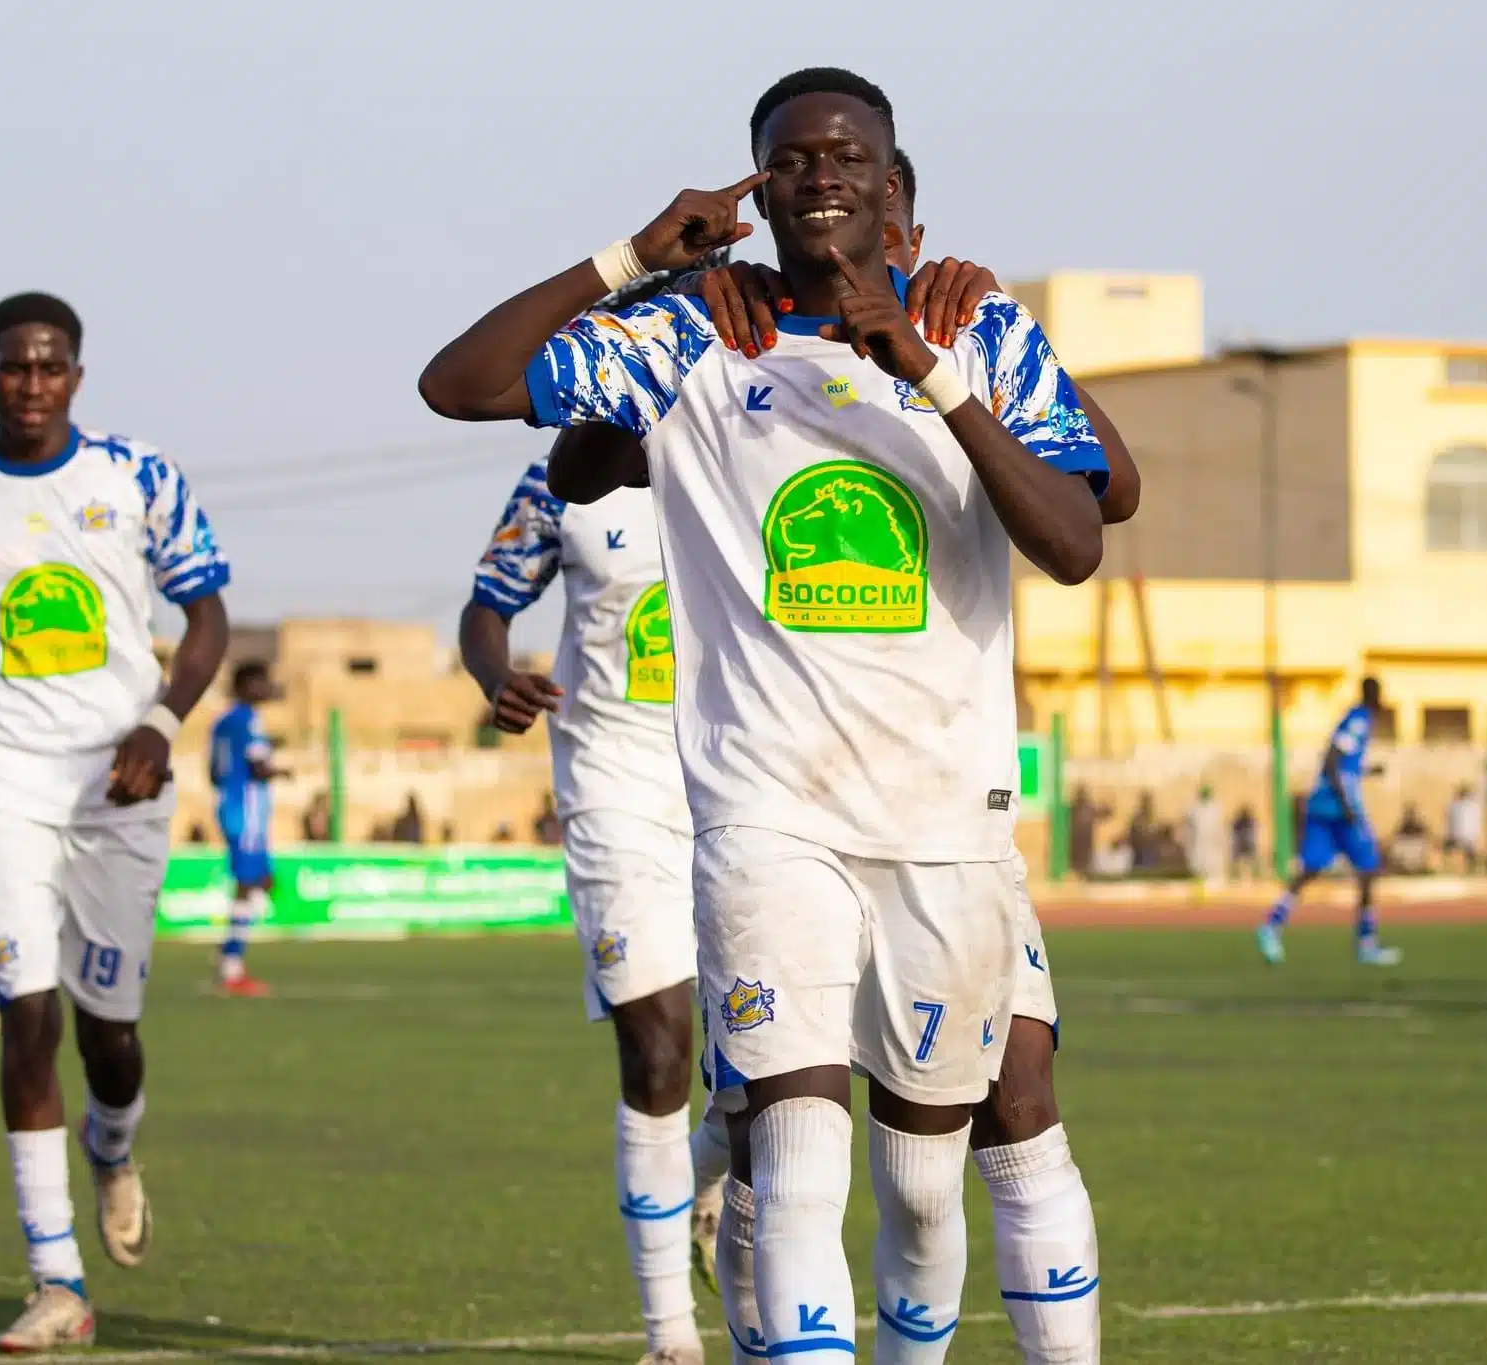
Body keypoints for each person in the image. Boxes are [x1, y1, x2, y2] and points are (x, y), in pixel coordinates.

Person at [422, 70, 1112, 1365]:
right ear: (759, 184)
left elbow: (1077, 540)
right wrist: (631, 259)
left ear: (893, 180)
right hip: (760, 818)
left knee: (923, 1180)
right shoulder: (693, 334)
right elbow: (462, 386)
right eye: (790, 159)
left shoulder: (979, 331)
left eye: (847, 154)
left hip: (942, 821)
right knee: (792, 1153)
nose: (820, 175)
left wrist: (923, 368)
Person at [0, 292, 233, 1349]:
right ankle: (55, 1279)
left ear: (77, 374)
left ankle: (111, 1145)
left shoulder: (138, 476)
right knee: (29, 1015)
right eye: (13, 368)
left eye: (51, 367)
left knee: (109, 1037)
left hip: (119, 777)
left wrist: (161, 721)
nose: (32, 385)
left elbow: (205, 613)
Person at [460, 430, 731, 1363]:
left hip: (747, 785)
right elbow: (486, 606)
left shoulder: (752, 439)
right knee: (659, 1040)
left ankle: (699, 1178)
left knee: (767, 1065)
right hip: (613, 789)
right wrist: (498, 677)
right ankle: (670, 1338)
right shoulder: (559, 480)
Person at [1258, 677, 1400, 966]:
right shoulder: (1359, 719)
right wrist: (1346, 804)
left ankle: (1272, 925)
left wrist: (1368, 770)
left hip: (1321, 803)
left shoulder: (1354, 720)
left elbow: (1342, 763)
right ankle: (1366, 943)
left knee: (1310, 868)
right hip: (1338, 807)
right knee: (1369, 869)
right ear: (1374, 695)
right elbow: (1333, 761)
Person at [209, 661, 283, 998]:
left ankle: (231, 954)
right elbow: (258, 766)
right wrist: (280, 771)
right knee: (250, 882)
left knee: (262, 881)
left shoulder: (221, 723)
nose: (267, 688)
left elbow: (212, 771)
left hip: (228, 803)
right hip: (247, 809)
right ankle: (231, 965)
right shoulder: (248, 719)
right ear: (246, 685)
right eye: (261, 682)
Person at [1183, 784, 1226, 882]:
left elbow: (1219, 830)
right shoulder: (1194, 809)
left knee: (1212, 873)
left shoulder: (1215, 808)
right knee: (1200, 871)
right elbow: (1189, 830)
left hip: (1211, 847)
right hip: (1199, 846)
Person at [1442, 783, 1483, 872]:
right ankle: (1471, 868)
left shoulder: (1454, 806)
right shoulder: (1475, 805)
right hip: (1471, 840)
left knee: (1446, 847)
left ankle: (1447, 867)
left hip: (1458, 839)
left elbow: (1449, 824)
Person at [1229, 804, 1260, 881]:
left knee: (1252, 857)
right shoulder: (1238, 822)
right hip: (1242, 845)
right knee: (1237, 857)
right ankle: (1236, 874)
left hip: (1247, 844)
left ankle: (1254, 874)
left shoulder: (1250, 822)